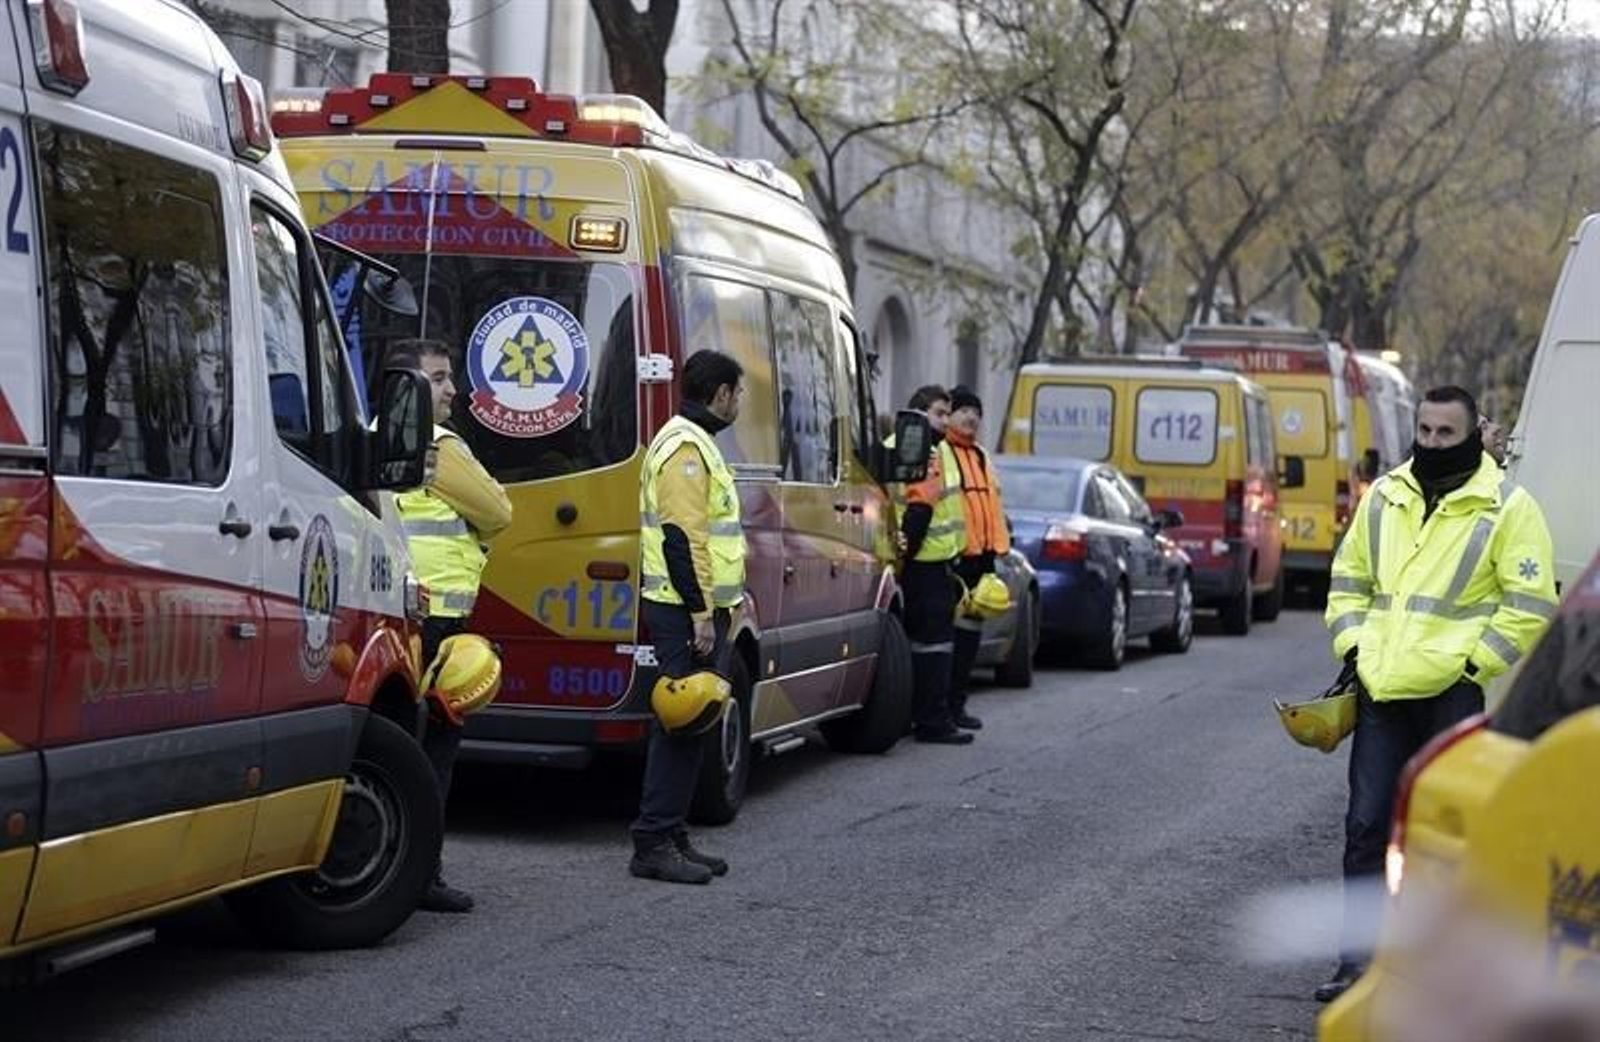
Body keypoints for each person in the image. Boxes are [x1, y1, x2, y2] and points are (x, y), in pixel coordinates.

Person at [1315, 385, 1557, 1002]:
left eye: (1445, 434)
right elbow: (1348, 582)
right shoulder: (1385, 497)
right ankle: (1356, 966)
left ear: (1474, 432)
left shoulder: (1508, 506)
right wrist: (1355, 649)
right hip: (1382, 689)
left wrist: (1473, 667)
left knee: (1443, 837)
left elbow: (1530, 604)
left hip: (1452, 695)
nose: (1430, 443)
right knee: (1366, 828)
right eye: (1423, 431)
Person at [392, 338, 513, 914]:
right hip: (440, 620)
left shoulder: (372, 437)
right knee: (435, 754)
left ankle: (392, 868)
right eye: (439, 379)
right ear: (410, 385)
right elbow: (497, 511)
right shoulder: (439, 447)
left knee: (399, 752)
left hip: (393, 612)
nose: (453, 390)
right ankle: (424, 875)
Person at [632, 349, 748, 884]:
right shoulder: (684, 446)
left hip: (700, 606)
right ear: (720, 394)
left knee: (693, 720)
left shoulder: (697, 443)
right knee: (679, 720)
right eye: (737, 392)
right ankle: (653, 841)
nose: (740, 402)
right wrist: (703, 613)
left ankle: (672, 833)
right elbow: (682, 539)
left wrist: (727, 600)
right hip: (683, 609)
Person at [896, 384, 973, 745]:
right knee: (934, 647)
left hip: (922, 562)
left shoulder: (909, 446)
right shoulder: (922, 451)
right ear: (919, 413)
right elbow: (920, 508)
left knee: (918, 646)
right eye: (939, 413)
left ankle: (916, 716)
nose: (946, 420)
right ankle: (932, 721)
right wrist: (904, 553)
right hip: (924, 564)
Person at [944, 385, 1011, 731]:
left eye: (977, 413)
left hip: (981, 561)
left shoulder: (982, 456)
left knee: (969, 639)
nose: (971, 417)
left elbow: (992, 505)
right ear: (950, 415)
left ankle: (957, 705)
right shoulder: (943, 453)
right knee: (947, 641)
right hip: (953, 559)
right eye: (964, 410)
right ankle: (942, 709)